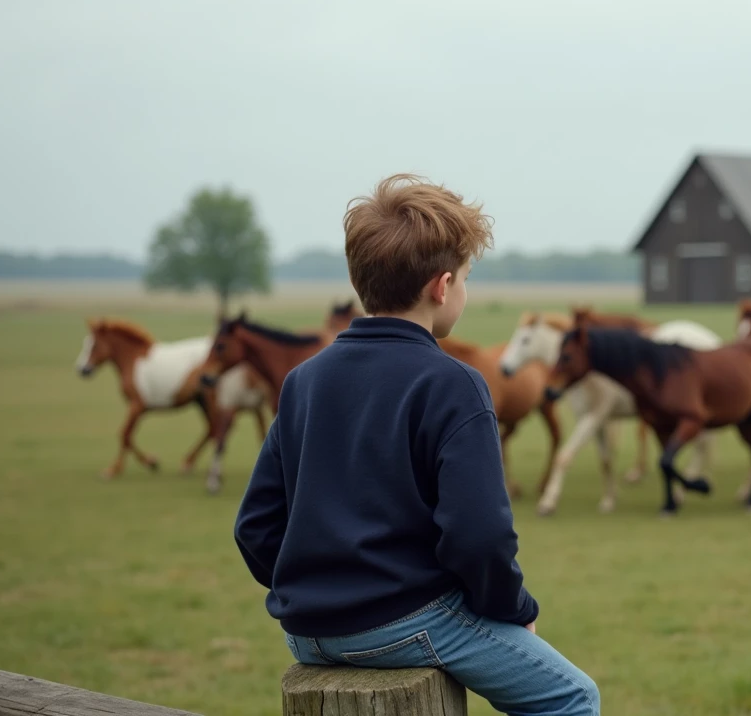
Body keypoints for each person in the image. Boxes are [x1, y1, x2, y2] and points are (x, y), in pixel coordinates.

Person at [234, 174, 600, 715]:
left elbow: (256, 528)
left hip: (305, 631)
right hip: (407, 620)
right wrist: (515, 608)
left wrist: (315, 591)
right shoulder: (453, 383)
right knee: (572, 698)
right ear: (443, 286)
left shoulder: (304, 380)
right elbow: (479, 536)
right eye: (468, 279)